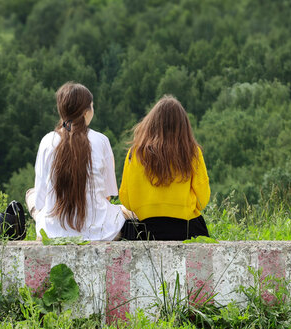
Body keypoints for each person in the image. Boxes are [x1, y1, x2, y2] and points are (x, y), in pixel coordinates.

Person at [25, 82, 133, 241]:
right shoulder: (101, 141)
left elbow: (41, 199)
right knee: (124, 210)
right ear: (86, 112)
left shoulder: (47, 141)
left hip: (52, 233)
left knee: (31, 194)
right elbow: (107, 195)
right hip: (101, 233)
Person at [119, 95, 210, 240]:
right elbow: (202, 200)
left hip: (145, 230)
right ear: (183, 125)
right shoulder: (192, 152)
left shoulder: (134, 153)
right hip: (185, 229)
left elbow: (126, 200)